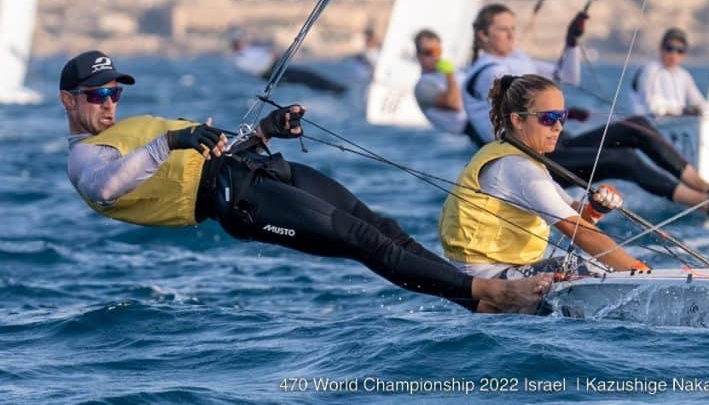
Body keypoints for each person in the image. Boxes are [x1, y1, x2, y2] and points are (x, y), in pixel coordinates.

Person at [61, 50, 549, 314]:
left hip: (258, 169)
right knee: (360, 240)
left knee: (381, 225)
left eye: (113, 94)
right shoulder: (84, 158)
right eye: (97, 95)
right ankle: (492, 293)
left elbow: (217, 151)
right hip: (237, 201)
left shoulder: (128, 129)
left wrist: (268, 131)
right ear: (69, 101)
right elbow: (106, 187)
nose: (108, 104)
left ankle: (474, 297)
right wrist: (174, 140)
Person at [462, 4, 709, 217]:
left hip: (555, 147)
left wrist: (572, 42)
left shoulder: (518, 59)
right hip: (529, 160)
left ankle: (707, 187)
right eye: (503, 29)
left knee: (636, 126)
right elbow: (529, 100)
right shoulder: (487, 73)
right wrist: (562, 110)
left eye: (513, 28)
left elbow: (567, 77)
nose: (512, 34)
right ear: (483, 35)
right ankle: (704, 203)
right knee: (624, 160)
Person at [439, 74, 648, 279]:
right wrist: (643, 274)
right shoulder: (518, 168)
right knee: (586, 268)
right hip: (488, 279)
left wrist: (595, 209)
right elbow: (582, 233)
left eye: (562, 117)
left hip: (499, 273)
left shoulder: (516, 156)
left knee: (592, 267)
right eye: (548, 118)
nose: (558, 127)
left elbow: (577, 216)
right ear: (518, 120)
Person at [631, 28, 709, 117]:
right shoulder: (650, 70)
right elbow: (652, 105)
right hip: (649, 123)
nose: (674, 54)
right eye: (670, 48)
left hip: (676, 123)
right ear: (661, 48)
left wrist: (705, 110)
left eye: (680, 50)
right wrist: (680, 111)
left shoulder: (684, 75)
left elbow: (698, 101)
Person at [230, 33, 347, 95]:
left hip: (276, 66)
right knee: (302, 78)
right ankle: (330, 89)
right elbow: (256, 69)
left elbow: (264, 52)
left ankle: (331, 87)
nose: (243, 42)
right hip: (269, 74)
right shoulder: (238, 60)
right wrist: (270, 58)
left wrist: (272, 55)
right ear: (236, 45)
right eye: (240, 42)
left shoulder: (249, 49)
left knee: (305, 74)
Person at [412, 29, 467, 135]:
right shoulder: (422, 87)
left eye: (437, 51)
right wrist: (449, 73)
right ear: (418, 56)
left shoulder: (456, 72)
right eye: (428, 52)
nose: (434, 56)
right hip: (464, 137)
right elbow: (454, 104)